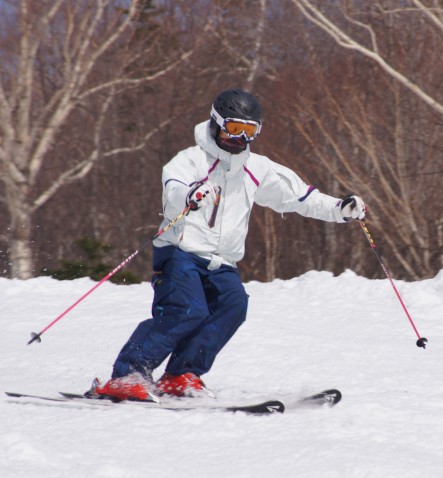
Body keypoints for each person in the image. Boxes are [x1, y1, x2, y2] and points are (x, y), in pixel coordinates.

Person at [92, 89, 367, 401]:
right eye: (235, 128)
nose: (241, 138)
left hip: (222, 261)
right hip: (180, 252)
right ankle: (127, 374)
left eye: (250, 131)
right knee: (186, 310)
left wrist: (338, 209)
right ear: (217, 123)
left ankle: (181, 374)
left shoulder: (257, 168)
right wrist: (190, 196)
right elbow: (173, 192)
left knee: (233, 306)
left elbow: (298, 196)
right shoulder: (190, 160)